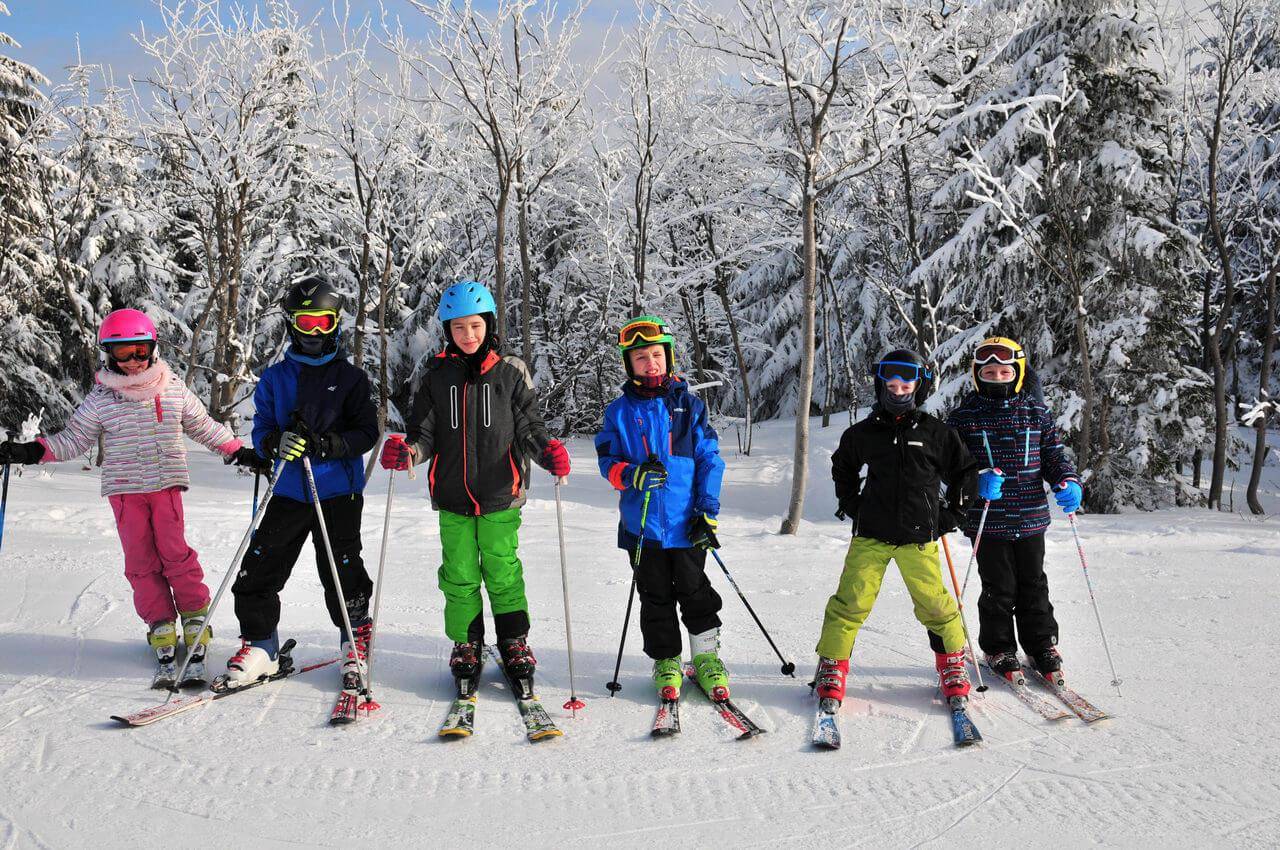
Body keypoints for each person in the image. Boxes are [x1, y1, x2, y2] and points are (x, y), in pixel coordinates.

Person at [0, 309, 263, 687]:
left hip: (166, 485)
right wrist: (31, 451)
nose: (134, 360)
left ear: (152, 349)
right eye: (123, 352)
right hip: (125, 492)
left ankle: (193, 613)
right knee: (140, 560)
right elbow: (73, 440)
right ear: (109, 354)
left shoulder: (171, 386)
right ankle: (160, 621)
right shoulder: (102, 397)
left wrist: (239, 451)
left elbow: (203, 426)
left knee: (175, 553)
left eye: (140, 350)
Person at [386, 281, 569, 692]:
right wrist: (408, 453)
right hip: (452, 496)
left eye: (475, 326)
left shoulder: (511, 371)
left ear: (489, 325)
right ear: (447, 331)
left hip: (502, 493)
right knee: (459, 573)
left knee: (503, 571)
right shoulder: (436, 376)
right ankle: (466, 642)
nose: (468, 335)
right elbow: (423, 435)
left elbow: (529, 427)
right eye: (458, 327)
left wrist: (548, 453)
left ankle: (513, 640)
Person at [222, 277, 379, 692]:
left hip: (337, 491)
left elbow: (367, 432)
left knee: (342, 569)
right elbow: (262, 427)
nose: (314, 332)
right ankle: (261, 645)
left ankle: (354, 637)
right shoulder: (275, 378)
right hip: (289, 490)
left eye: (322, 322)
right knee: (259, 565)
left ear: (336, 323)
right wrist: (274, 442)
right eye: (306, 322)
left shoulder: (350, 378)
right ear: (292, 323)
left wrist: (329, 445)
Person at [813, 349, 979, 707]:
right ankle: (833, 664)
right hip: (871, 535)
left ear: (919, 388)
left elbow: (965, 472)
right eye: (891, 386)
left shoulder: (936, 433)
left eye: (906, 386)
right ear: (881, 386)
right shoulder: (864, 433)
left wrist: (952, 514)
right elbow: (843, 467)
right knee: (851, 601)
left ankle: (952, 662)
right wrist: (852, 504)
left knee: (936, 604)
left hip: (919, 538)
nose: (898, 392)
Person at [594, 315, 728, 700]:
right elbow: (606, 460)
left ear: (668, 357)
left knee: (695, 590)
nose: (650, 363)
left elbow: (709, 460)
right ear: (629, 364)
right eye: (640, 357)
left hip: (687, 524)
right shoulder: (618, 412)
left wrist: (706, 510)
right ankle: (666, 659)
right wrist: (632, 474)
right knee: (654, 596)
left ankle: (706, 656)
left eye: (656, 354)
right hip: (642, 527)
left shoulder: (690, 406)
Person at [946, 336, 1082, 683]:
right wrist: (976, 480)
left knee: (1034, 584)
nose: (997, 378)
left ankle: (1041, 645)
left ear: (1018, 374)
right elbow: (950, 467)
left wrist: (1067, 480)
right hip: (988, 519)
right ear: (977, 375)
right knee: (999, 587)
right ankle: (999, 647)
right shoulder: (963, 417)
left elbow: (1053, 456)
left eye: (1004, 372)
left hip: (1030, 516)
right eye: (989, 372)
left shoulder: (1036, 413)